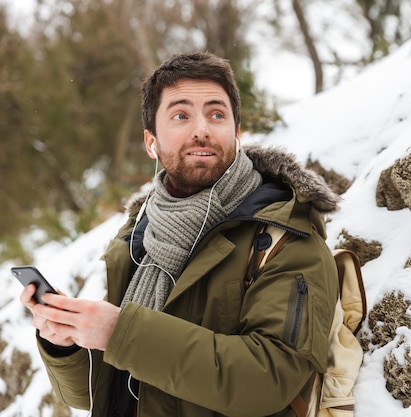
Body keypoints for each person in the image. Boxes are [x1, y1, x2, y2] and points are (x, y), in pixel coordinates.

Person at [20, 51, 340, 417]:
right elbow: (109, 393)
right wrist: (66, 343)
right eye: (181, 115)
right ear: (151, 141)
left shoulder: (284, 235)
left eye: (216, 114)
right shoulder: (139, 238)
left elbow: (269, 380)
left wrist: (121, 333)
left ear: (237, 133)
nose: (201, 129)